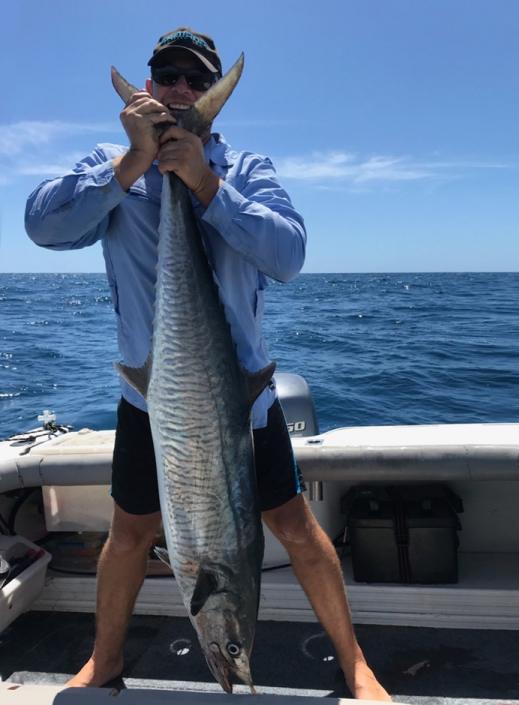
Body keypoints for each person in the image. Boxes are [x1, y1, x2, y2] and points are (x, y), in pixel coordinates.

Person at [25, 27, 391, 701]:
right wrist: (134, 163)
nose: (182, 90)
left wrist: (201, 179)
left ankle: (356, 664)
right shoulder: (111, 164)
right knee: (130, 531)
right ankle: (104, 663)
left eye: (197, 81)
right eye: (169, 74)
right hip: (151, 400)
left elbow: (287, 258)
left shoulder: (245, 168)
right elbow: (43, 228)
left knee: (293, 526)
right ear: (149, 80)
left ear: (209, 89)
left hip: (239, 399)